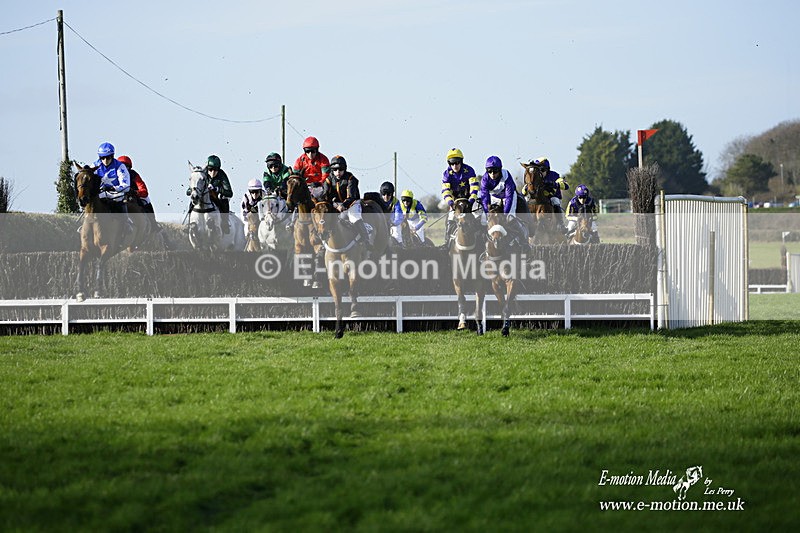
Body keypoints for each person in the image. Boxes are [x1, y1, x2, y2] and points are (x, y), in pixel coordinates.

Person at [479, 155, 529, 250]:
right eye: (489, 171)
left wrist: (505, 214)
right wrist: (487, 213)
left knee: (510, 217)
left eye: (495, 171)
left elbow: (509, 196)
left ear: (500, 170)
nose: (492, 174)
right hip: (494, 197)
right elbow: (485, 197)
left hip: (508, 197)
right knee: (483, 220)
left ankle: (523, 242)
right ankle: (482, 244)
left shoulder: (506, 175)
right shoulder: (485, 179)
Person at [323, 155, 372, 250]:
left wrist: (343, 206)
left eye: (340, 170)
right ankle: (323, 243)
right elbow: (325, 195)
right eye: (335, 170)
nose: (338, 172)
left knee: (354, 217)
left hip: (352, 203)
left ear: (344, 169)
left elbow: (351, 197)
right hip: (337, 204)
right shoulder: (329, 180)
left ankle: (366, 240)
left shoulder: (350, 179)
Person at [441, 148, 479, 250]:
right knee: (450, 219)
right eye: (452, 163)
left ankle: (482, 242)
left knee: (480, 218)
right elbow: (445, 191)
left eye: (457, 163)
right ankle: (447, 244)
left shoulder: (469, 170)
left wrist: (472, 199)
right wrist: (450, 203)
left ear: (461, 162)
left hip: (470, 200)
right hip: (455, 202)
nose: (455, 166)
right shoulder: (446, 174)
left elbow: (474, 187)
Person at [93, 142, 132, 234]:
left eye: (108, 157)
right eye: (103, 157)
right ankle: (85, 225)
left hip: (115, 195)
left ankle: (125, 225)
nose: (105, 160)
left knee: (119, 203)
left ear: (112, 156)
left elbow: (126, 186)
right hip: (101, 194)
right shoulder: (95, 165)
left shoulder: (120, 166)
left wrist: (113, 188)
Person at [116, 155, 161, 233]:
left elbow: (144, 191)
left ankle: (153, 224)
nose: (124, 170)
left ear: (129, 168)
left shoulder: (134, 175)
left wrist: (136, 192)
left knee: (147, 201)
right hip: (118, 195)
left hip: (134, 196)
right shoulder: (114, 175)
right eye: (122, 167)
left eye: (126, 167)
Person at [292, 136, 330, 201]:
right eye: (307, 151)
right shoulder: (300, 160)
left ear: (317, 150)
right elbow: (295, 176)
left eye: (313, 151)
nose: (310, 154)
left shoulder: (323, 159)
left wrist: (319, 183)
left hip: (319, 187)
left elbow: (326, 176)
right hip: (304, 187)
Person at [205, 155, 233, 234]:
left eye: (216, 170)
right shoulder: (202, 173)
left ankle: (225, 224)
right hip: (204, 198)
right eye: (210, 169)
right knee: (193, 203)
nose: (213, 172)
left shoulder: (222, 175)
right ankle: (189, 224)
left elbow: (229, 193)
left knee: (224, 202)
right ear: (207, 168)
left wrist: (217, 189)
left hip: (216, 198)